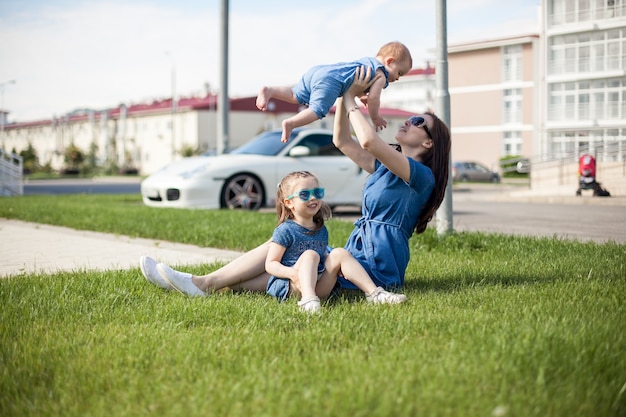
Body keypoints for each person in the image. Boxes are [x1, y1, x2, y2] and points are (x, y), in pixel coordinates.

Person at [140, 65, 451, 300]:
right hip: (356, 253)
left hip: (377, 265)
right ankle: (203, 284)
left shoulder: (421, 176)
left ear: (428, 144)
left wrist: (348, 94)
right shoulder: (387, 168)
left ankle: (202, 284)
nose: (410, 120)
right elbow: (342, 140)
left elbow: (368, 140)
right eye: (413, 117)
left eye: (419, 122)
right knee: (284, 252)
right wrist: (346, 97)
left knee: (297, 261)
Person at [263, 170, 406, 313]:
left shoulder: (320, 228)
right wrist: (292, 274)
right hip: (293, 286)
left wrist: (336, 265)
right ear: (289, 203)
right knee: (310, 255)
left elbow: (322, 253)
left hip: (318, 286)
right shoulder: (285, 230)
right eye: (304, 194)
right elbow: (270, 264)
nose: (313, 198)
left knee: (340, 253)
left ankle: (375, 293)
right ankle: (308, 300)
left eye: (317, 193)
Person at [256, 41, 413, 142]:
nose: (397, 78)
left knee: (294, 95)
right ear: (390, 62)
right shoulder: (381, 76)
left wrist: (360, 95)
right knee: (317, 110)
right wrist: (375, 117)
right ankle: (291, 123)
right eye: (399, 72)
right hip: (330, 81)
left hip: (320, 71)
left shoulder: (367, 62)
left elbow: (352, 78)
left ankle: (270, 90)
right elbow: (374, 99)